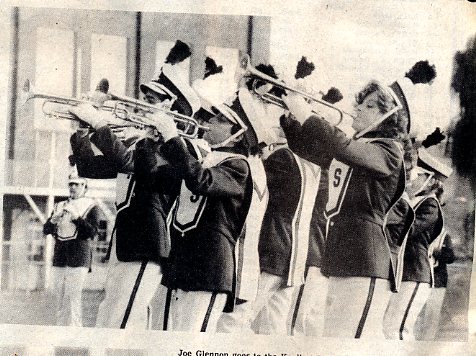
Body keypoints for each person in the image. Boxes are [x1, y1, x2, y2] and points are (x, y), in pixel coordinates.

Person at [69, 40, 199, 329]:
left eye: (151, 102)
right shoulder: (142, 143)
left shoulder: (174, 147)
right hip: (125, 240)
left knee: (120, 323)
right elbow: (91, 167)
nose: (140, 107)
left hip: (146, 243)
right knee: (111, 317)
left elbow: (130, 163)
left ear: (170, 107)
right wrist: (81, 128)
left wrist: (99, 123)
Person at [280, 80, 408, 339]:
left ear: (387, 116)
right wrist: (289, 117)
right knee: (334, 340)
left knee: (350, 343)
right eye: (359, 103)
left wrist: (306, 111)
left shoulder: (389, 150)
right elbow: (307, 149)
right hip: (342, 257)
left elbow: (339, 145)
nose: (358, 109)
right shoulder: (359, 150)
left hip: (365, 260)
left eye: (369, 105)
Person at [153, 102, 254, 333]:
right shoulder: (201, 159)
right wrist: (153, 142)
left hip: (209, 267)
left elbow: (201, 180)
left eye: (219, 119)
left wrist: (172, 137)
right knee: (164, 338)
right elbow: (155, 177)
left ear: (237, 135)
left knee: (193, 340)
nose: (208, 122)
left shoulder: (238, 166)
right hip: (179, 263)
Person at [383, 148, 452, 340]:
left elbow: (407, 230)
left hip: (415, 274)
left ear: (430, 180)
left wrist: (401, 200)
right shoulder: (416, 201)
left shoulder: (430, 205)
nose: (412, 179)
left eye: (418, 175)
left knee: (398, 330)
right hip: (405, 273)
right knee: (389, 328)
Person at [43, 170, 100, 326]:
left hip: (79, 256)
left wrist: (77, 218)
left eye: (77, 184)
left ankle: (75, 334)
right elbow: (46, 230)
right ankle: (60, 332)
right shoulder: (60, 205)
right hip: (60, 256)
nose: (73, 187)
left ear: (84, 186)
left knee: (73, 298)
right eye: (71, 184)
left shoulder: (91, 205)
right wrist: (53, 221)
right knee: (60, 299)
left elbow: (93, 232)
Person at [419, 233, 455, 340]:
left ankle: (427, 342)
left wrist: (436, 252)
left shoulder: (444, 236)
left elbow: (450, 257)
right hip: (421, 276)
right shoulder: (420, 231)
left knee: (432, 314)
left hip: (437, 280)